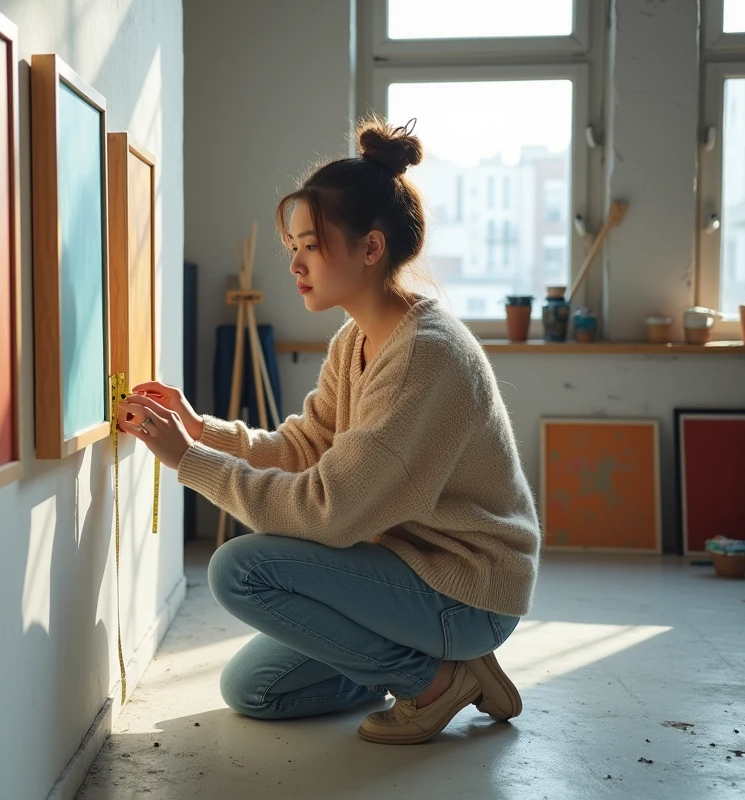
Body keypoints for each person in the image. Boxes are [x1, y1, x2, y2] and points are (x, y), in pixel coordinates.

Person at [117, 115, 541, 746]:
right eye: (293, 246)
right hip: (407, 570)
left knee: (239, 571)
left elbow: (330, 511)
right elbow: (301, 449)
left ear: (371, 248)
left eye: (311, 245)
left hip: (466, 589)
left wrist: (190, 463)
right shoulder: (356, 340)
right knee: (254, 690)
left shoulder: (426, 355)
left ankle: (432, 682)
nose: (295, 262)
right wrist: (198, 429)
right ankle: (444, 671)